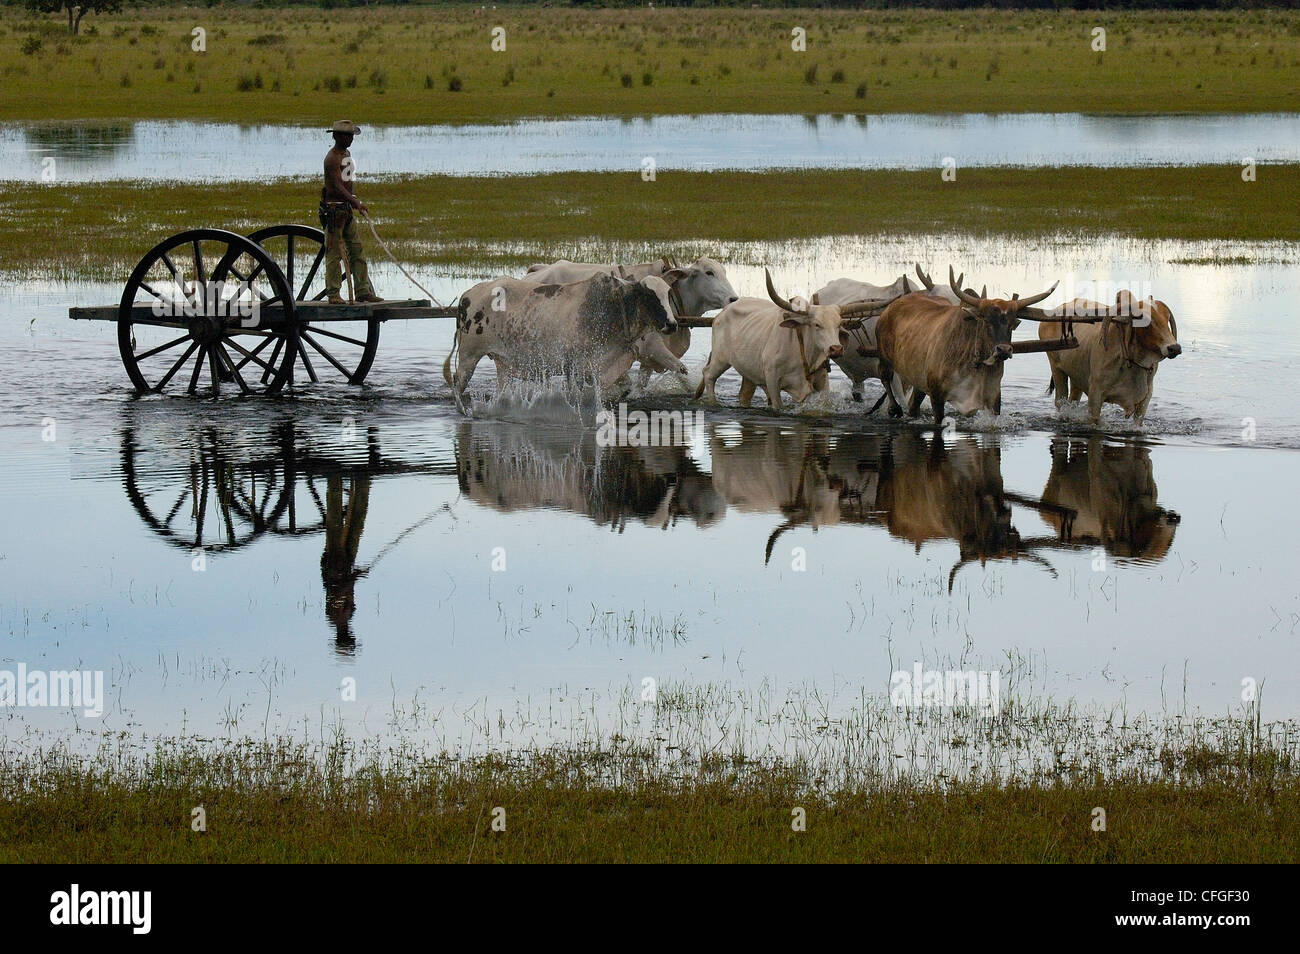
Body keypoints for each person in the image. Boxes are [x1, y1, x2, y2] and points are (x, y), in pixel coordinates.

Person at [320, 119, 383, 304]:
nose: (349, 139)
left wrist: (353, 201)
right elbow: (337, 186)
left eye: (351, 135)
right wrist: (354, 201)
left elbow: (349, 182)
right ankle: (333, 294)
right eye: (345, 135)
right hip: (333, 210)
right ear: (335, 136)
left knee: (357, 251)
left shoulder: (347, 155)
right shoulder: (331, 158)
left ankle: (363, 291)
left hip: (345, 211)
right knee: (334, 254)